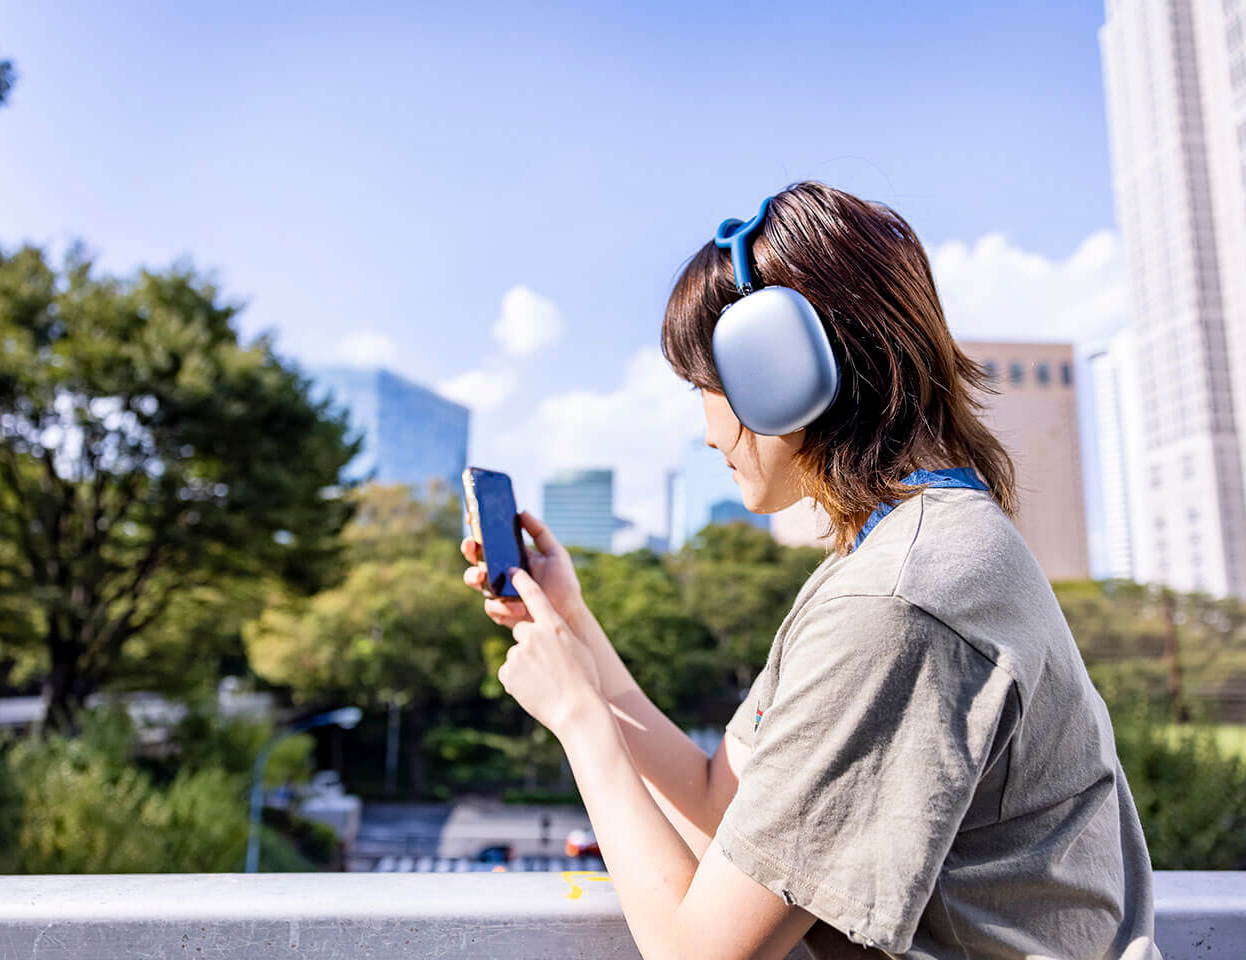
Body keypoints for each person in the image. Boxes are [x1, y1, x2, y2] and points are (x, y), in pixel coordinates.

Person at [460, 180, 1161, 960]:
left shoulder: (895, 600)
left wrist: (579, 725)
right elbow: (720, 800)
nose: (705, 431)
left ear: (779, 372)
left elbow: (697, 956)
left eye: (705, 387)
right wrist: (576, 633)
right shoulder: (897, 555)